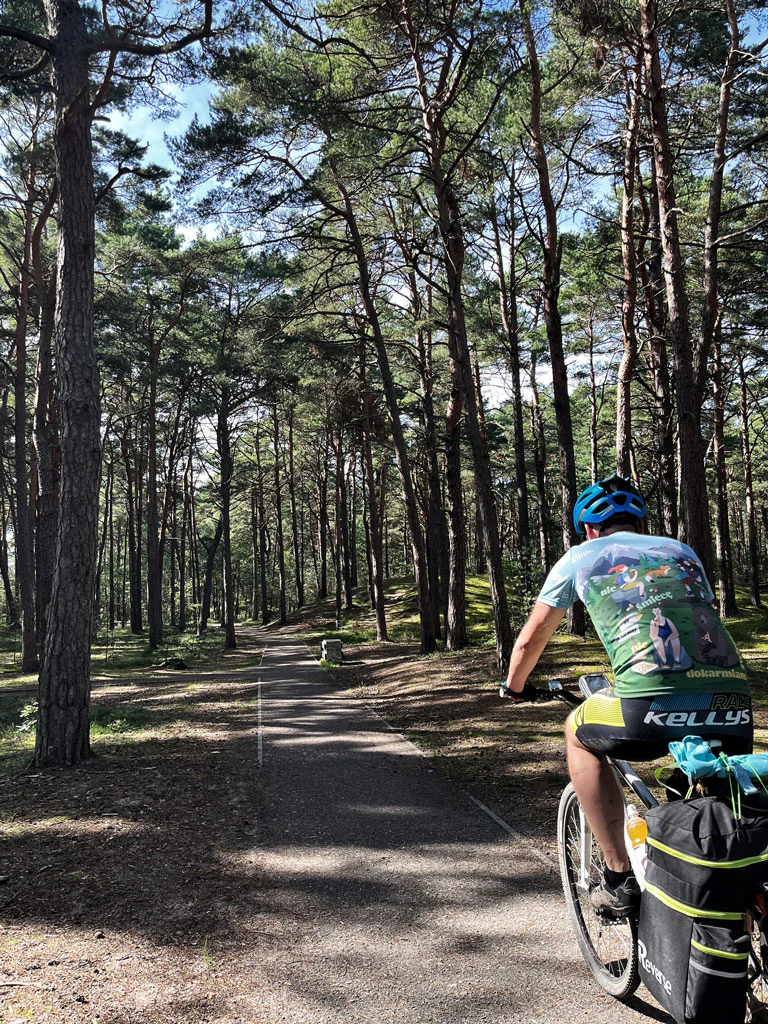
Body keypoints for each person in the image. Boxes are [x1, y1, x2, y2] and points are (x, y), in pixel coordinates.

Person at [500, 475, 751, 917]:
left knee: (577, 733)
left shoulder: (578, 557)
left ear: (588, 529)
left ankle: (618, 877)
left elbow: (532, 637)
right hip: (733, 700)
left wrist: (514, 686)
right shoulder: (680, 551)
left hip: (648, 703)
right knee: (723, 807)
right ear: (640, 524)